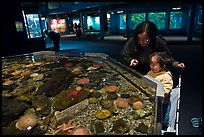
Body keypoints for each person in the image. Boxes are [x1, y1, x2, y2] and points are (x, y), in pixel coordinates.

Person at [121, 21, 185, 75]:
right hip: (136, 67)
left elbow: (167, 57)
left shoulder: (159, 42)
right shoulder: (132, 41)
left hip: (154, 68)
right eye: (139, 39)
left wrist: (176, 64)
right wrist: (130, 60)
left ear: (152, 36)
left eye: (145, 39)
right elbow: (124, 54)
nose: (141, 42)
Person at [147, 51, 173, 129]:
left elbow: (166, 89)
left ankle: (165, 125)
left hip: (163, 102)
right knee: (155, 113)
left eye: (154, 65)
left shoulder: (166, 76)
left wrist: (156, 94)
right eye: (151, 64)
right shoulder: (151, 72)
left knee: (164, 115)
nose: (151, 66)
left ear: (163, 66)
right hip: (153, 99)